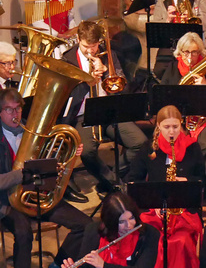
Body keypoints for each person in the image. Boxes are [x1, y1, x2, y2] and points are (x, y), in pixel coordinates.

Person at [0, 88, 90, 268]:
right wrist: (21, 174)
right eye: (9, 110)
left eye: (18, 108)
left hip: (40, 196)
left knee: (86, 224)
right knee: (23, 232)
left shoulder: (36, 132)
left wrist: (73, 153)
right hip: (9, 202)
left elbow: (56, 160)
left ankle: (58, 267)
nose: (15, 114)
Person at [127, 105, 205, 268]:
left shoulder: (193, 147)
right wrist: (151, 204)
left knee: (181, 241)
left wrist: (187, 183)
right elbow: (133, 180)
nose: (171, 132)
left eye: (175, 127)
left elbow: (202, 179)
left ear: (182, 126)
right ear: (158, 127)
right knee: (151, 237)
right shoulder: (148, 149)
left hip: (184, 210)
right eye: (166, 127)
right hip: (155, 210)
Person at [59, 21, 146, 195]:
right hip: (83, 115)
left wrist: (107, 72)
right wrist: (88, 81)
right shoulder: (67, 60)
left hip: (109, 110)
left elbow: (123, 86)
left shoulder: (109, 54)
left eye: (94, 46)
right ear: (78, 39)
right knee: (88, 152)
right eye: (85, 46)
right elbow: (68, 97)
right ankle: (115, 184)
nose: (91, 51)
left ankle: (111, 179)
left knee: (140, 143)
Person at [159, 31, 206, 190]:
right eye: (186, 52)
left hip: (205, 121)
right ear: (180, 52)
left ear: (200, 53)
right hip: (178, 121)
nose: (190, 56)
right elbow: (163, 100)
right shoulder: (172, 69)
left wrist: (205, 88)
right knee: (175, 145)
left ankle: (201, 186)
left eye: (194, 52)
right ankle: (176, 186)